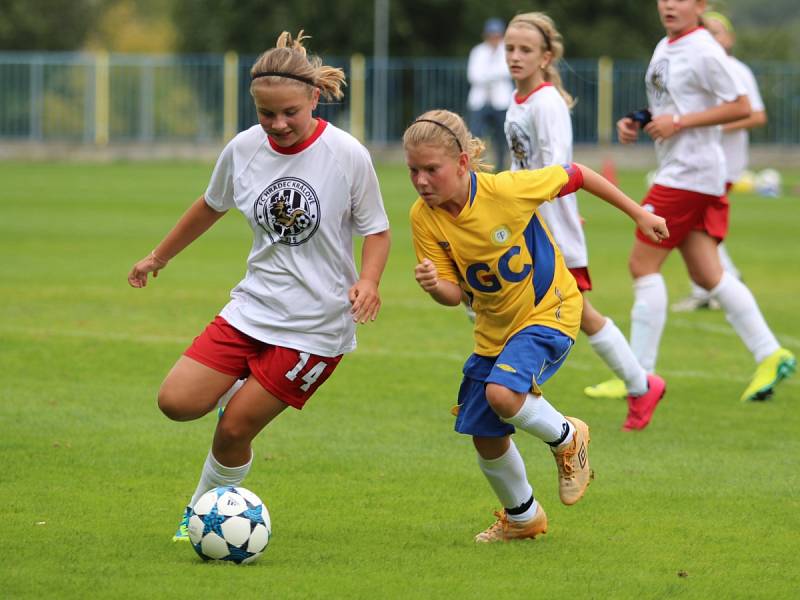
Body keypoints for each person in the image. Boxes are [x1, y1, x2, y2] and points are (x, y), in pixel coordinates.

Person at [127, 31, 391, 541]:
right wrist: (158, 256)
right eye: (266, 113)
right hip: (252, 310)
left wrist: (369, 279)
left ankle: (200, 513)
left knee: (233, 429)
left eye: (289, 111)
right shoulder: (243, 149)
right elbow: (211, 204)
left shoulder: (347, 154)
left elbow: (376, 228)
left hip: (314, 329)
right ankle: (242, 383)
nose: (278, 124)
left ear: (315, 98)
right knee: (175, 402)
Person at [404, 109, 668, 542]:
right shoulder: (423, 217)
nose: (421, 181)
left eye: (431, 169)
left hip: (552, 310)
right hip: (494, 330)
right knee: (485, 434)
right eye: (414, 170)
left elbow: (578, 174)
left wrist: (638, 213)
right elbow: (454, 295)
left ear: (462, 164)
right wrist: (435, 285)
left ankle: (568, 436)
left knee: (503, 394)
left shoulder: (507, 189)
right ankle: (524, 519)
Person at [590, 0, 795, 403]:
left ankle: (639, 375)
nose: (668, 4)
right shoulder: (667, 45)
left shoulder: (703, 47)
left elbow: (741, 106)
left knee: (641, 263)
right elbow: (673, 104)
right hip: (692, 173)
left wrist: (679, 123)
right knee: (707, 274)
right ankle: (771, 353)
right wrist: (640, 117)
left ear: (701, 5)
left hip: (687, 174)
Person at [503, 12, 666, 430]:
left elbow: (558, 170)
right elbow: (523, 165)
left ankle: (637, 385)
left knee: (573, 312)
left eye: (525, 50)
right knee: (566, 311)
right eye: (510, 48)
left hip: (547, 227)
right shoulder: (519, 100)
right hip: (530, 222)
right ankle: (638, 385)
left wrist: (526, 207)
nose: (515, 57)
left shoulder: (547, 103)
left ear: (546, 57)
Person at [671, 9, 767, 313]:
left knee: (698, 227)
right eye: (706, 31)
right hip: (701, 162)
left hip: (723, 163)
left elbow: (756, 114)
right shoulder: (698, 64)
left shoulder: (736, 70)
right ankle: (714, 286)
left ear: (730, 38)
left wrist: (715, 124)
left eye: (717, 32)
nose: (711, 37)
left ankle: (719, 284)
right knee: (698, 227)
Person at [467, 18, 514, 171]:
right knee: (475, 136)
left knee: (502, 138)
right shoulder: (477, 51)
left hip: (501, 102)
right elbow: (473, 75)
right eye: (491, 34)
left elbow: (507, 72)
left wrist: (487, 75)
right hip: (480, 102)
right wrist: (494, 76)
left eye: (496, 34)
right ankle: (475, 167)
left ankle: (501, 168)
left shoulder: (507, 51)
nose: (494, 38)